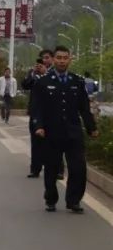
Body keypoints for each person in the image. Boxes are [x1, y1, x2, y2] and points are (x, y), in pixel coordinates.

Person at [33, 46, 99, 213]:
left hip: (73, 132)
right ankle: (51, 198)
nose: (62, 61)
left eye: (65, 58)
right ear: (53, 60)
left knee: (78, 168)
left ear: (70, 60)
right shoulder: (43, 82)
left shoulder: (77, 81)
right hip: (51, 132)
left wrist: (92, 128)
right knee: (52, 168)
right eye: (59, 58)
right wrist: (39, 126)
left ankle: (73, 200)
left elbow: (84, 108)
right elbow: (37, 108)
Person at [22, 50, 53, 178]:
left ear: (52, 59)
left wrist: (45, 74)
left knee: (54, 142)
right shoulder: (33, 72)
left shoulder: (55, 73)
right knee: (36, 142)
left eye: (47, 58)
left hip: (52, 113)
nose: (44, 60)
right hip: (36, 111)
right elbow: (25, 85)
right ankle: (35, 169)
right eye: (42, 58)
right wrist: (33, 74)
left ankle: (57, 169)